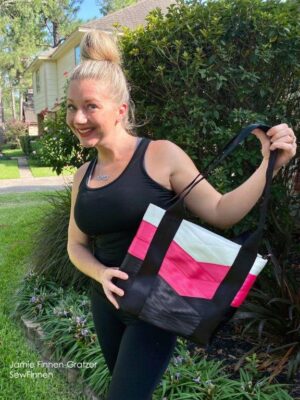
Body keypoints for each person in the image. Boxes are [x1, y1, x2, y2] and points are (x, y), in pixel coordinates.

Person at [66, 30, 297, 400]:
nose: (78, 117)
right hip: (105, 304)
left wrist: (269, 165)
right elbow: (76, 246)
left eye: (91, 106)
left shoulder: (160, 156)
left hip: (154, 306)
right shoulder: (84, 176)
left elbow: (221, 212)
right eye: (71, 106)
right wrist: (101, 273)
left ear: (120, 109)